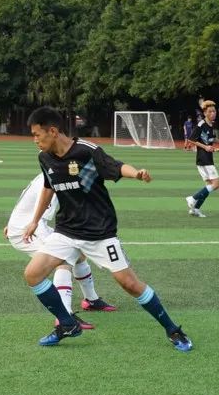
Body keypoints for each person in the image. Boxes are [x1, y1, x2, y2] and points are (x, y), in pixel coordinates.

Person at [22, 106, 192, 351]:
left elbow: (116, 166)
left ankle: (173, 330)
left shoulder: (86, 151)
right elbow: (49, 187)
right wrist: (35, 220)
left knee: (130, 284)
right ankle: (67, 324)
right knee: (33, 274)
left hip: (100, 233)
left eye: (37, 135)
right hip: (66, 231)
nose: (35, 140)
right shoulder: (45, 158)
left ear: (53, 131)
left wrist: (137, 174)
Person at [4, 173, 117, 330]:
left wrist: (13, 222)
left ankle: (91, 300)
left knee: (79, 254)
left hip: (25, 226)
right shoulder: (55, 178)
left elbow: (27, 199)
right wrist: (53, 247)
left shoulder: (53, 173)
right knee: (63, 259)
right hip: (27, 230)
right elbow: (39, 218)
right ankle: (65, 317)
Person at [185, 100, 219, 218]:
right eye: (210, 112)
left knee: (208, 186)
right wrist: (205, 147)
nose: (213, 113)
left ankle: (195, 209)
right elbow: (191, 139)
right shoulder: (201, 124)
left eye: (214, 111)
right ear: (205, 113)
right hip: (204, 159)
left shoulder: (211, 125)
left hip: (206, 158)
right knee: (216, 184)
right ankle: (193, 198)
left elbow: (210, 139)